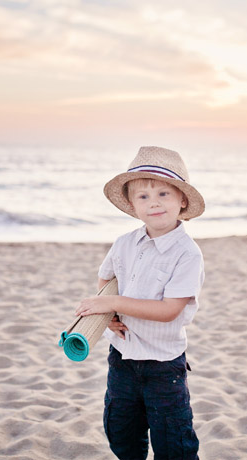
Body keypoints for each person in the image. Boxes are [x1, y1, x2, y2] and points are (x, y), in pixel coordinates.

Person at [75, 146, 205, 460]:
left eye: (163, 193)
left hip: (163, 365)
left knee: (173, 442)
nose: (154, 203)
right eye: (143, 197)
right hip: (121, 358)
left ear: (182, 200)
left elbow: (169, 310)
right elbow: (106, 280)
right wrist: (109, 315)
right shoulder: (123, 244)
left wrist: (113, 302)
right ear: (132, 206)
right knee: (121, 433)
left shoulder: (187, 254)